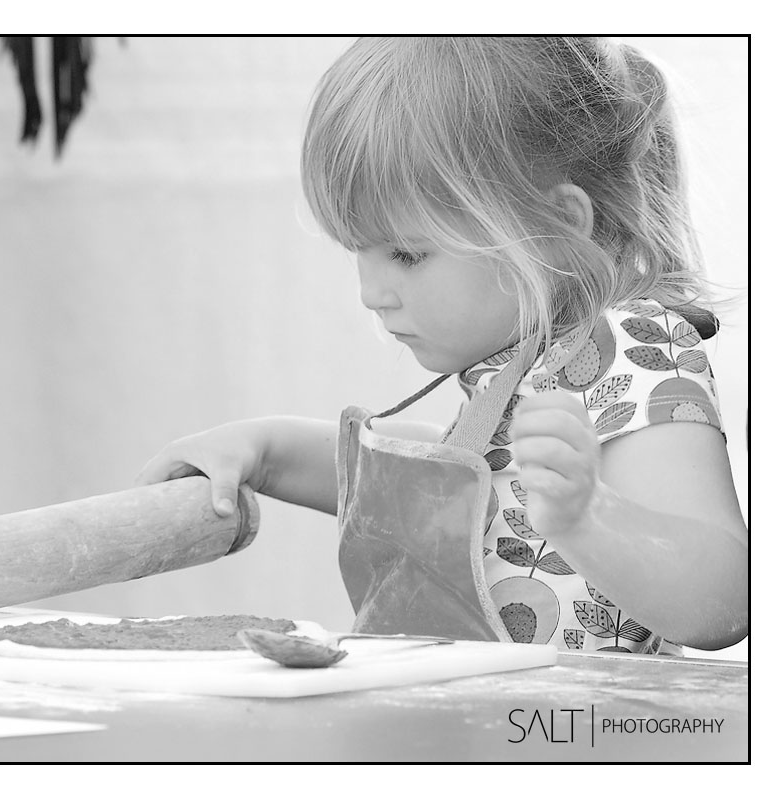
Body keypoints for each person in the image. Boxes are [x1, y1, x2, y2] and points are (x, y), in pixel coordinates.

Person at [137, 37, 747, 654]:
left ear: (557, 226)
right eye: (360, 254)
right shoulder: (518, 366)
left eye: (407, 254)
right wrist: (266, 451)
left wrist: (588, 516)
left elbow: (722, 600)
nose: (372, 294)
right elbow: (461, 488)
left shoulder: (633, 348)